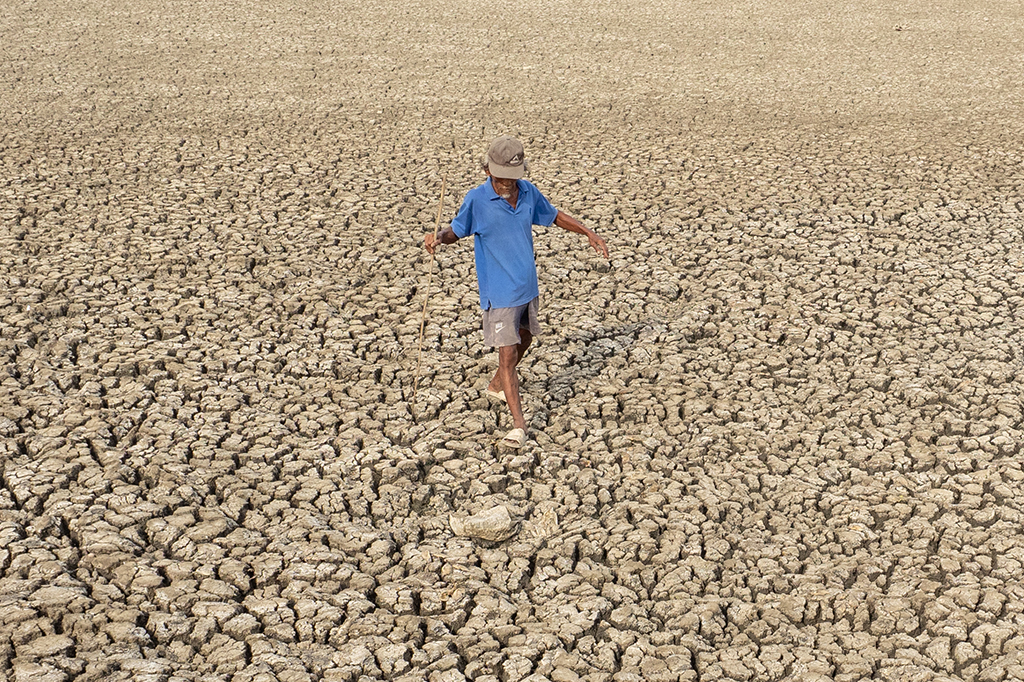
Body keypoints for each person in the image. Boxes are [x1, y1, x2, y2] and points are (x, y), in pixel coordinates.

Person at [424, 135, 609, 448]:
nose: (508, 184)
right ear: (488, 171)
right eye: (501, 177)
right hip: (500, 293)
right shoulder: (477, 200)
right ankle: (519, 426)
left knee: (526, 339)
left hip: (527, 286)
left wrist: (588, 232)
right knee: (507, 354)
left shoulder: (528, 193)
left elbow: (554, 216)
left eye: (513, 177)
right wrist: (438, 237)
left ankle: (497, 384)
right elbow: (455, 230)